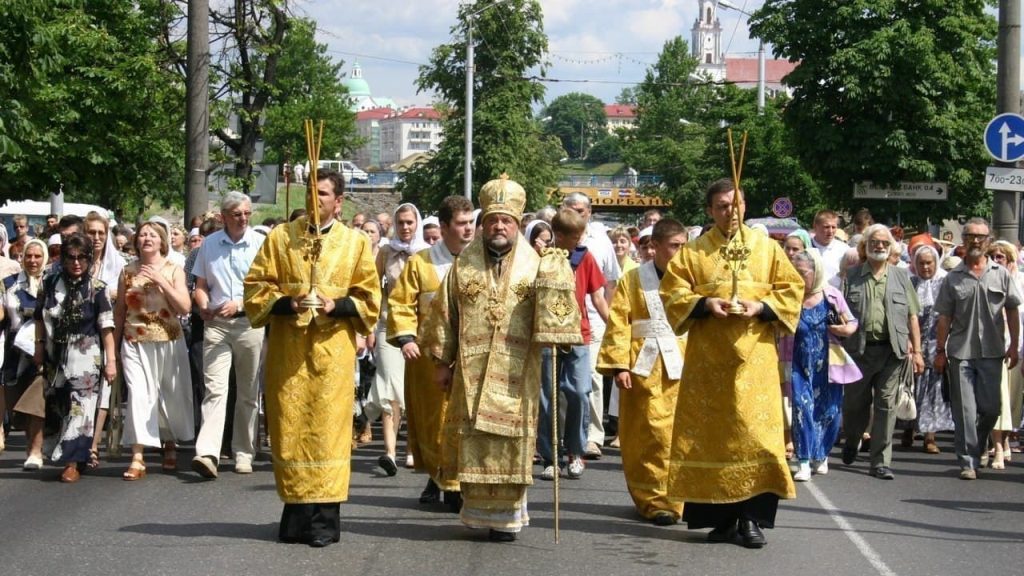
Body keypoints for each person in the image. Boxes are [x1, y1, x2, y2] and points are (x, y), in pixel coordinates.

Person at [426, 175, 581, 542]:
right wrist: (440, 362)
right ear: (483, 225)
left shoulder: (538, 264)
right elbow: (445, 314)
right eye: (492, 220)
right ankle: (477, 514)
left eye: (506, 221)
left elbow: (558, 314)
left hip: (518, 370)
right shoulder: (464, 265)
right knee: (477, 439)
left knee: (512, 444)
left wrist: (556, 319)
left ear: (517, 224)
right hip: (471, 370)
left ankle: (509, 517)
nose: (499, 226)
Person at [658, 178, 803, 549]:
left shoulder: (768, 249)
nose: (730, 212)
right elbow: (673, 293)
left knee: (757, 439)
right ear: (710, 211)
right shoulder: (693, 252)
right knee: (711, 440)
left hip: (755, 360)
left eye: (735, 204)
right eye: (721, 206)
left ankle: (751, 519)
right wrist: (707, 305)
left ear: (745, 205)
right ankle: (719, 520)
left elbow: (792, 289)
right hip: (708, 363)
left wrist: (761, 307)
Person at [244, 169, 381, 547]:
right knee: (290, 431)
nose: (314, 198)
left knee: (328, 434)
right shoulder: (279, 237)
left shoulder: (355, 244)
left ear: (338, 201)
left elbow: (370, 297)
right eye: (309, 191)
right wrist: (287, 303)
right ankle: (295, 519)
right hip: (289, 352)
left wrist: (337, 305)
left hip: (332, 353)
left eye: (322, 193)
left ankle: (323, 523)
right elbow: (255, 286)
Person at [598, 218, 687, 526]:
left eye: (684, 246)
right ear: (656, 247)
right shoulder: (633, 279)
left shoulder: (692, 280)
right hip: (644, 365)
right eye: (675, 246)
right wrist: (619, 364)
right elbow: (620, 321)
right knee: (650, 434)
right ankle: (653, 500)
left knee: (678, 434)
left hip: (683, 365)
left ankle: (680, 498)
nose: (680, 252)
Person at [387, 195, 474, 508]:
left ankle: (456, 482)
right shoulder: (421, 262)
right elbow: (401, 302)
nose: (469, 230)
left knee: (464, 421)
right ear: (445, 226)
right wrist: (406, 338)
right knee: (434, 420)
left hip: (470, 356)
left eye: (470, 223)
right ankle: (440, 478)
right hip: (428, 358)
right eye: (462, 224)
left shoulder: (480, 261)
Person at [934, 218, 1021, 480]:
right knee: (965, 411)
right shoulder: (953, 278)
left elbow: (1013, 310)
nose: (975, 241)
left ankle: (980, 441)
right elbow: (944, 317)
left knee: (991, 409)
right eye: (970, 236)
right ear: (964, 240)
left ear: (988, 240)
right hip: (961, 353)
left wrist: (1014, 345)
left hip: (993, 353)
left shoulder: (1001, 274)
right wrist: (940, 350)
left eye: (980, 237)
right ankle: (968, 461)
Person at [190, 191, 266, 479]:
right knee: (215, 390)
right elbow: (200, 285)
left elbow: (268, 290)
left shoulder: (260, 243)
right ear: (223, 216)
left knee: (247, 393)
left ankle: (243, 451)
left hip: (249, 324)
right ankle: (207, 452)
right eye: (237, 214)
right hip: (217, 326)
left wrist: (242, 303)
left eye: (247, 213)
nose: (243, 218)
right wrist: (202, 305)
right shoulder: (208, 245)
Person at [841, 224, 924, 479]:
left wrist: (918, 351)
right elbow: (839, 313)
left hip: (892, 352)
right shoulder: (852, 276)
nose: (879, 246)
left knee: (886, 405)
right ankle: (853, 438)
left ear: (891, 249)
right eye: (874, 242)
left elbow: (912, 317)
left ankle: (880, 462)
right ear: (864, 247)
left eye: (884, 243)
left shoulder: (901, 277)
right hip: (859, 352)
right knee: (856, 405)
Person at [34, 233, 117, 483]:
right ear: (63, 258)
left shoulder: (97, 288)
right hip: (55, 354)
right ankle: (70, 454)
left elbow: (106, 327)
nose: (77, 262)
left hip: (86, 354)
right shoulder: (49, 282)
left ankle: (72, 462)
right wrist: (39, 347)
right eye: (71, 257)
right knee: (58, 405)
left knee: (80, 408)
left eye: (82, 257)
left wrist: (111, 360)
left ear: (90, 259)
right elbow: (39, 317)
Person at [114, 222, 194, 480]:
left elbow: (184, 307)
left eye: (153, 235)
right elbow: (119, 311)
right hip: (134, 340)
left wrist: (162, 282)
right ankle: (137, 456)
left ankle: (168, 442)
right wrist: (113, 348)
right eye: (143, 235)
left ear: (162, 241)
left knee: (168, 395)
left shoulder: (174, 269)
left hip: (168, 339)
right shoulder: (127, 271)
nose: (147, 238)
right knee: (139, 395)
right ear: (136, 241)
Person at [536, 208, 608, 481]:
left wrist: (613, 326)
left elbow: (598, 298)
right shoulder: (541, 258)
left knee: (578, 391)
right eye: (575, 235)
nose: (580, 239)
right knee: (547, 397)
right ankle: (550, 455)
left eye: (582, 234)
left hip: (578, 335)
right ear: (559, 235)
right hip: (546, 334)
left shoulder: (585, 257)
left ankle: (576, 451)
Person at [781, 250, 858, 481]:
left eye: (802, 273)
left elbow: (852, 321)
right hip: (797, 362)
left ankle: (821, 454)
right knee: (801, 408)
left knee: (830, 411)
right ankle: (803, 460)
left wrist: (846, 329)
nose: (798, 277)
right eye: (794, 272)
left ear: (816, 273)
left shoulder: (831, 295)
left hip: (828, 363)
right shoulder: (789, 297)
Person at [366, 203, 428, 475]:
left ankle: (413, 449)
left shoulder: (427, 254)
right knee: (391, 385)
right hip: (388, 325)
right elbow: (371, 288)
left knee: (414, 388)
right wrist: (368, 326)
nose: (405, 227)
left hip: (421, 328)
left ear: (417, 224)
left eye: (409, 223)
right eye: (400, 222)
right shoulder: (386, 252)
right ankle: (390, 452)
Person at [561, 192, 621, 459]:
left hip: (589, 324)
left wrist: (614, 324)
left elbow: (608, 284)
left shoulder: (598, 244)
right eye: (571, 209)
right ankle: (557, 440)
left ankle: (590, 438)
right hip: (553, 328)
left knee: (588, 384)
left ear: (590, 212)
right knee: (555, 389)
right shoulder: (550, 246)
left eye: (581, 210)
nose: (577, 214)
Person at [83, 211, 126, 468]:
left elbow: (121, 305)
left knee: (104, 389)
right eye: (92, 232)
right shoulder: (75, 260)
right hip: (82, 334)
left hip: (107, 334)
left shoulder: (118, 264)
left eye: (101, 233)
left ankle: (93, 444)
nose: (97, 238)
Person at [3, 239, 45, 467]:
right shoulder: (8, 284)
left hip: (42, 349)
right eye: (29, 256)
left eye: (38, 256)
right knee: (17, 406)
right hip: (14, 351)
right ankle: (31, 443)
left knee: (37, 398)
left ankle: (36, 451)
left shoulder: (52, 283)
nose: (33, 261)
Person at [909, 244, 954, 454]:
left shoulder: (945, 284)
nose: (925, 267)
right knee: (911, 388)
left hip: (937, 344)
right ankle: (909, 427)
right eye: (921, 263)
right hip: (914, 345)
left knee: (933, 390)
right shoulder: (910, 283)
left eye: (929, 263)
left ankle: (930, 436)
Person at [987, 240, 1023, 468]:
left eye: (1001, 257)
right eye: (993, 256)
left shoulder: (1021, 282)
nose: (996, 261)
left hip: (1018, 348)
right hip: (995, 348)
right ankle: (998, 446)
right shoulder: (988, 280)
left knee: (1013, 401)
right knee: (997, 399)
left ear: (1010, 260)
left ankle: (1007, 439)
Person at [811, 210, 847, 284]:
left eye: (833, 227)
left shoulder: (845, 250)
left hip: (837, 294)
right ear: (815, 226)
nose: (830, 231)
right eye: (826, 227)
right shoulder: (806, 246)